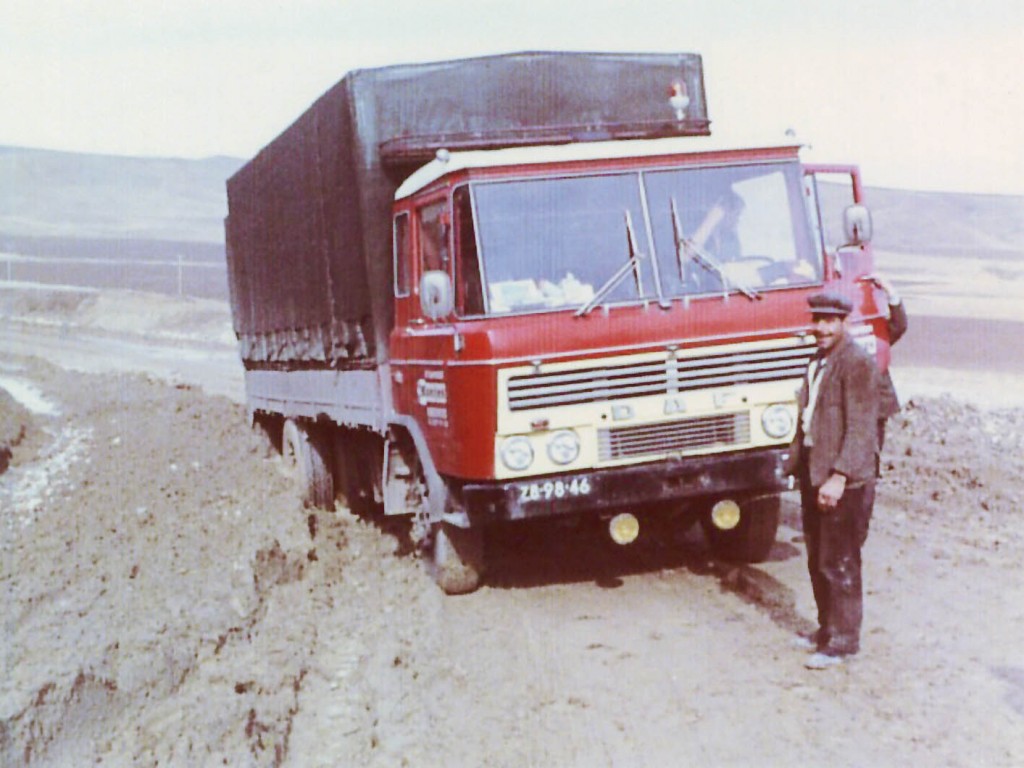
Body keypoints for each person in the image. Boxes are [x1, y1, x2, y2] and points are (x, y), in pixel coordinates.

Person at [787, 292, 881, 670]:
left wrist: (839, 477)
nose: (821, 328)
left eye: (830, 321)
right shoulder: (818, 361)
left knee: (839, 561)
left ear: (845, 323)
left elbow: (861, 429)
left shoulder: (857, 363)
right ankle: (827, 629)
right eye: (817, 320)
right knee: (819, 558)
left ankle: (843, 642)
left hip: (842, 481)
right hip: (815, 472)